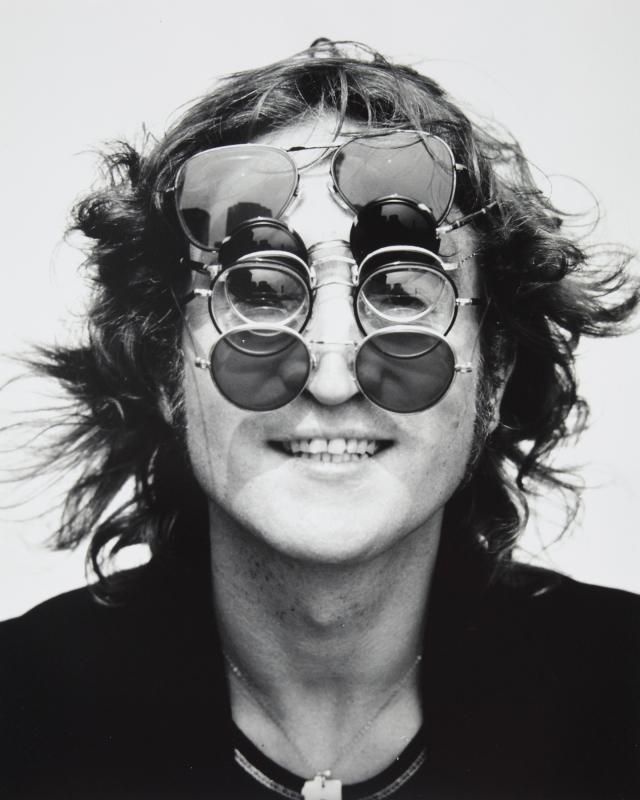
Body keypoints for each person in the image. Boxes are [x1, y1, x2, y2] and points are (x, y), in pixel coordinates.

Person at [0, 39, 638, 800]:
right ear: (168, 370)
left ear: (495, 376)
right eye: (260, 293)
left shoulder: (621, 701)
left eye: (401, 294)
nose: (332, 379)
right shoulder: (21, 718)